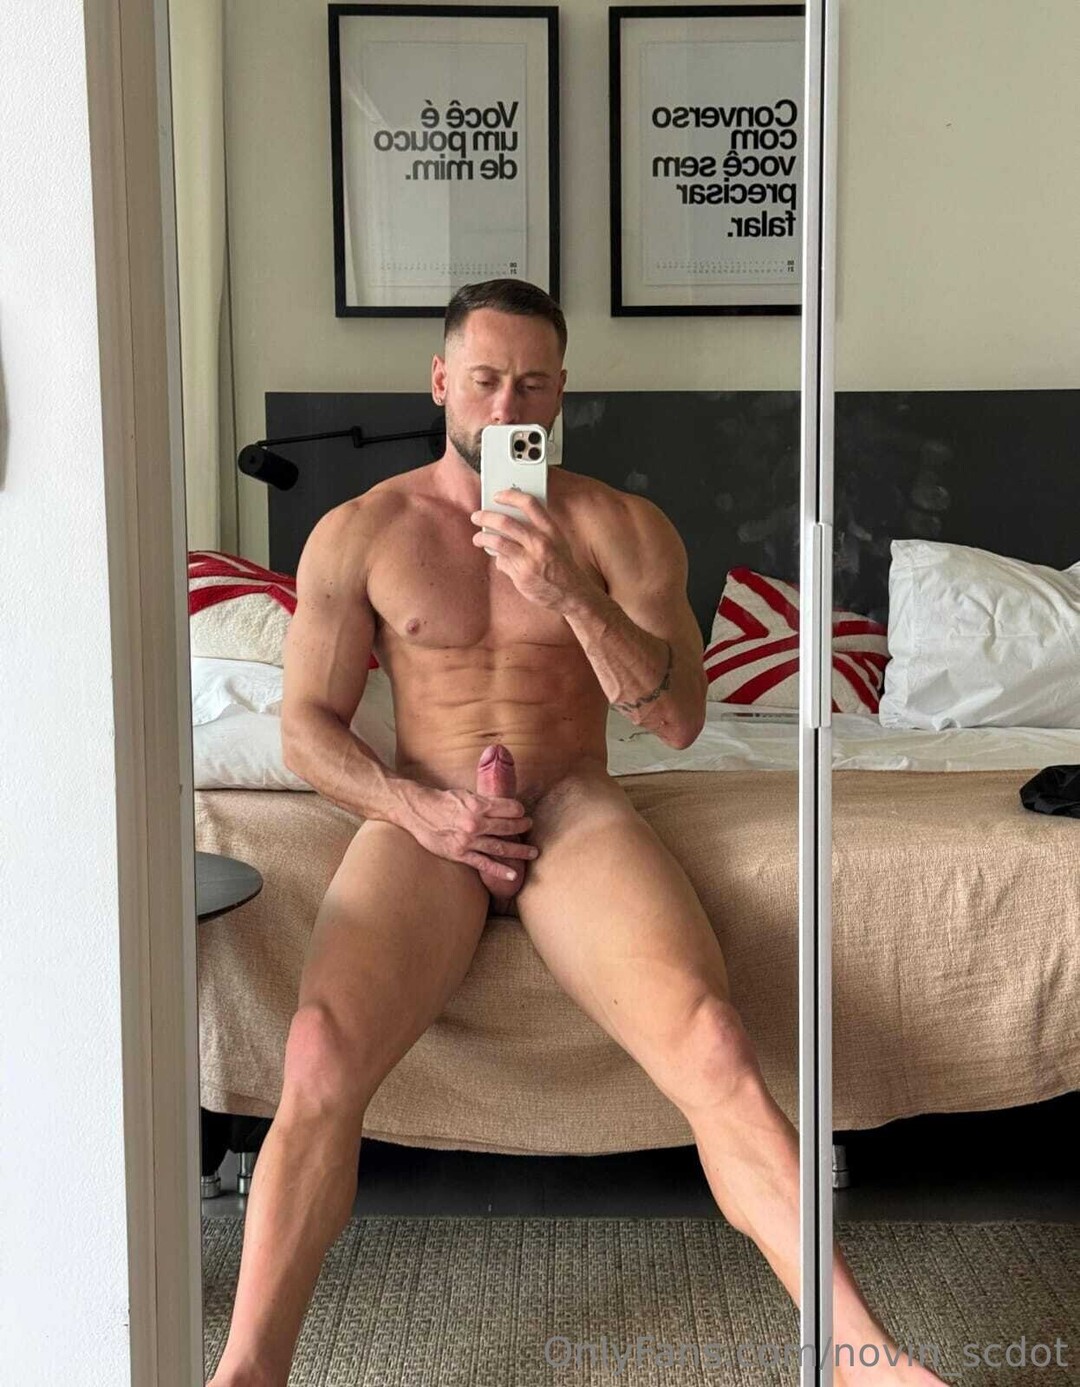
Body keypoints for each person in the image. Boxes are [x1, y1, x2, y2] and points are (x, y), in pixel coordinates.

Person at [208, 279, 944, 1387]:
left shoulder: (618, 526)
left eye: (533, 383)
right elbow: (305, 730)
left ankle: (861, 1357)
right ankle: (248, 1371)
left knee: (711, 1040)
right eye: (486, 379)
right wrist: (416, 805)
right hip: (430, 812)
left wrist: (571, 597)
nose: (508, 406)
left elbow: (679, 718)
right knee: (315, 1049)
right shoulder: (361, 531)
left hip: (572, 803)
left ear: (564, 391)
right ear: (441, 381)